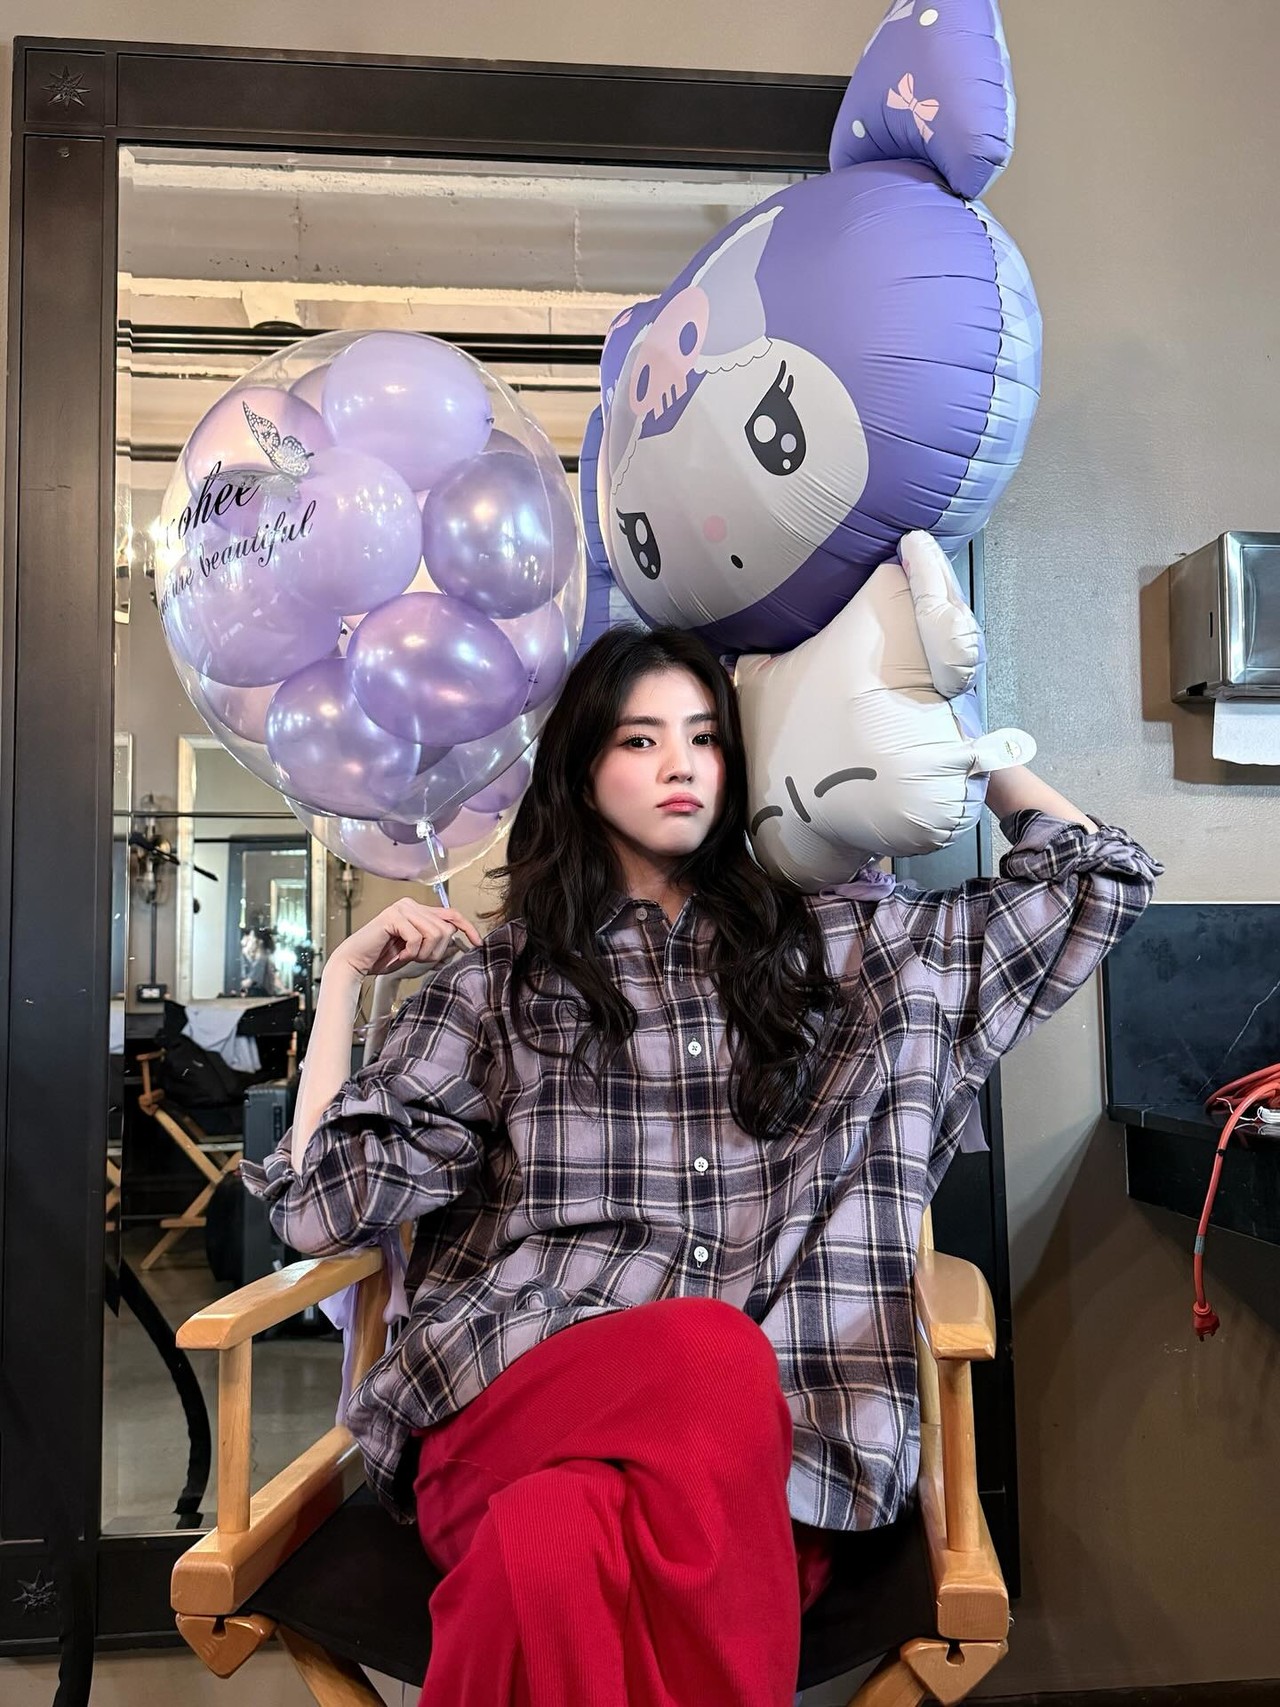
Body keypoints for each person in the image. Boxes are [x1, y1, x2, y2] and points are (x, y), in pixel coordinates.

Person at [242, 622, 1159, 1707]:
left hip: (770, 1469)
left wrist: (942, 728)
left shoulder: (852, 952)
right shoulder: (499, 983)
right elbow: (320, 1208)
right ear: (581, 773)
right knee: (710, 1354)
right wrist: (344, 982)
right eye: (639, 740)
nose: (680, 764)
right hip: (513, 1400)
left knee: (550, 1542)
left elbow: (1094, 881)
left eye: (706, 737)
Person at [239, 926, 284, 997]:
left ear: (259, 941)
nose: (250, 941)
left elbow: (250, 981)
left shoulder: (261, 960)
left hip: (259, 997)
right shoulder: (264, 958)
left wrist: (236, 984)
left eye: (252, 938)